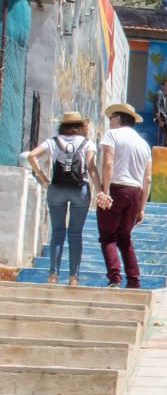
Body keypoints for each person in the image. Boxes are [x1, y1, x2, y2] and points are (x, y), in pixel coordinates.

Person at [26, 111, 100, 287]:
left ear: (63, 126)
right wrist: (100, 191)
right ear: (81, 126)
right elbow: (91, 167)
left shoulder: (53, 141)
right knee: (75, 234)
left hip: (56, 189)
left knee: (57, 232)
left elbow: (31, 155)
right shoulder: (87, 143)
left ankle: (53, 275)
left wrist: (43, 178)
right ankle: (73, 277)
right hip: (79, 189)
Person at [96, 103, 152, 289]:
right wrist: (142, 208)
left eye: (112, 118)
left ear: (118, 119)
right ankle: (134, 281)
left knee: (108, 237)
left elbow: (108, 163)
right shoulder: (144, 144)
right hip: (135, 193)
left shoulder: (112, 135)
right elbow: (148, 179)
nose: (110, 121)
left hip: (116, 188)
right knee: (125, 238)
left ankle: (115, 279)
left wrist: (105, 192)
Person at [154, 81, 167, 147]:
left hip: (162, 117)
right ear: (162, 86)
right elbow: (157, 106)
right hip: (161, 117)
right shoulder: (159, 93)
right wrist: (159, 119)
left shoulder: (163, 95)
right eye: (166, 86)